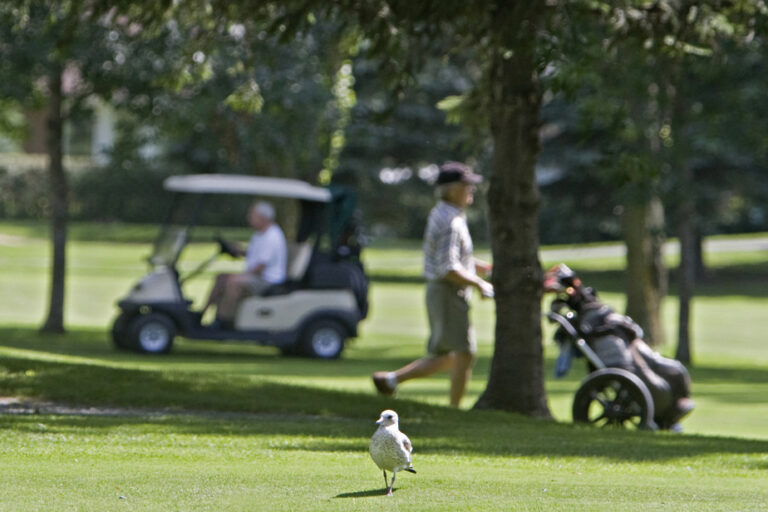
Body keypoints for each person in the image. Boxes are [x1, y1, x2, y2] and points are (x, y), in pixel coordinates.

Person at [372, 161, 494, 408]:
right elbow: (447, 268)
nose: (472, 189)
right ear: (451, 189)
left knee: (452, 355)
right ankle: (454, 410)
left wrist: (481, 268)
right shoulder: (451, 221)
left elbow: (457, 259)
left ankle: (391, 380)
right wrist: (480, 284)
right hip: (447, 291)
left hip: (444, 292)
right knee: (464, 354)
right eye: (466, 185)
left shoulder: (447, 213)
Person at [543, 263, 694, 430]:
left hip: (630, 350)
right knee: (657, 384)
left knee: (675, 370)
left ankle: (667, 417)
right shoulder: (592, 317)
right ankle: (664, 416)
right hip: (624, 366)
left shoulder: (592, 313)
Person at [201, 200, 287, 327]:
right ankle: (202, 313)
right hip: (258, 276)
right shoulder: (260, 235)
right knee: (221, 277)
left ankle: (224, 321)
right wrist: (236, 251)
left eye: (252, 215)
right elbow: (254, 254)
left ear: (263, 217)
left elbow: (260, 268)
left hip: (268, 280)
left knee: (233, 282)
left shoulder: (272, 236)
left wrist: (241, 275)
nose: (249, 218)